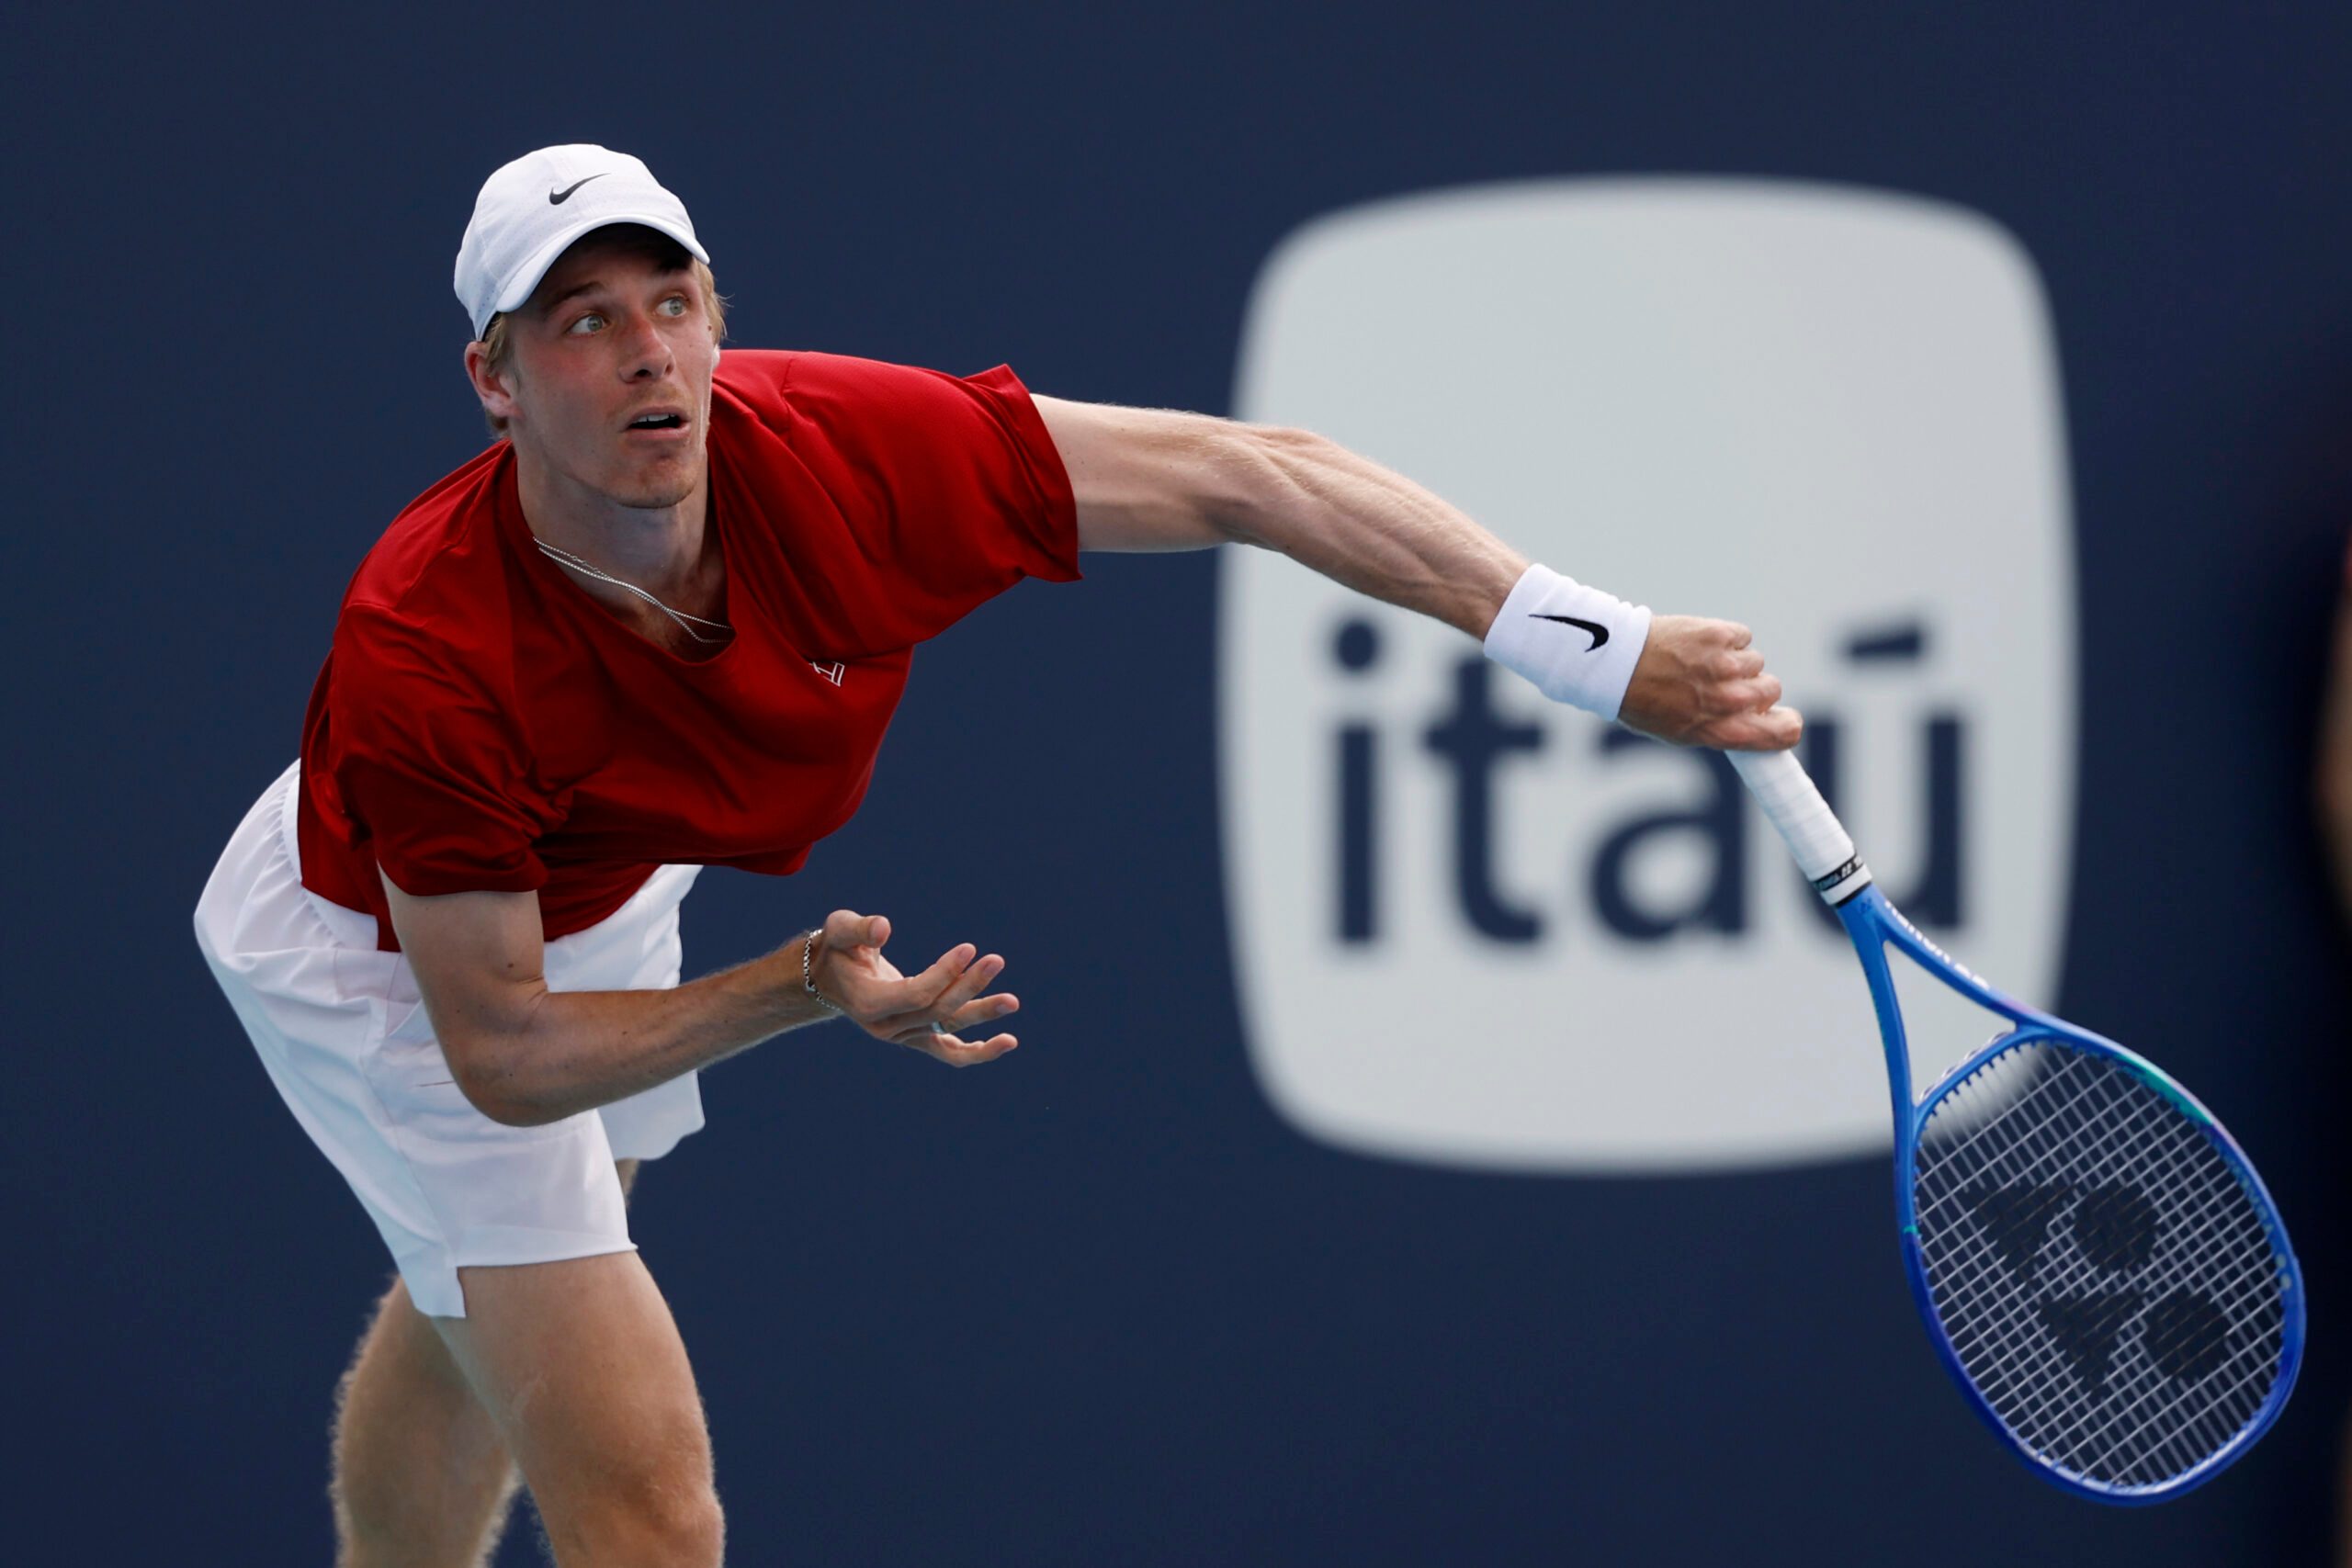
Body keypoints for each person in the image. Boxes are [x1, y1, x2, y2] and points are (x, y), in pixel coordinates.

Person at [193, 143, 1801, 1568]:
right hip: (399, 961)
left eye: (667, 303)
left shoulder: (840, 451)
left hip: (598, 879)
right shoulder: (429, 650)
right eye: (581, 322)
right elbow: (506, 1057)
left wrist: (1596, 647)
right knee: (649, 1505)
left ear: (718, 320)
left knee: (488, 1266)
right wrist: (800, 991)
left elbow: (1259, 472)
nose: (643, 355)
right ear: (496, 380)